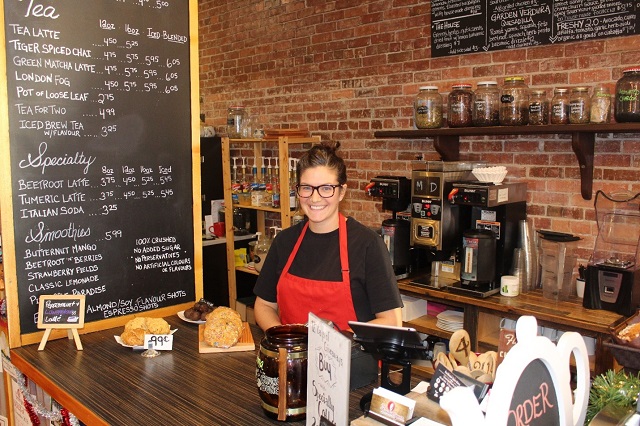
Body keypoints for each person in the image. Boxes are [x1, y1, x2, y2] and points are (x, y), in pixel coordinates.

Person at [253, 141, 403, 332]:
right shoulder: (284, 241)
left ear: (342, 192)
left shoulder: (367, 245)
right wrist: (284, 339)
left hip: (351, 359)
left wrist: (333, 343)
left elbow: (391, 321)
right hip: (294, 358)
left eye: (326, 188)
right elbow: (264, 305)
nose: (315, 198)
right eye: (307, 188)